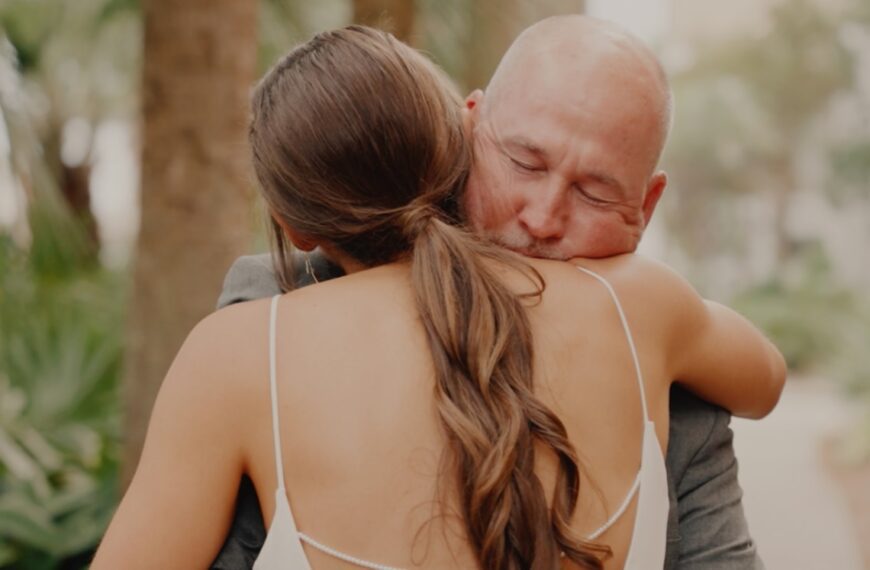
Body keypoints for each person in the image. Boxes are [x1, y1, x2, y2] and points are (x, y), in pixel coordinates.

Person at [93, 24, 785, 570]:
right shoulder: (652, 319)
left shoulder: (659, 346)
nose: (543, 218)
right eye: (524, 162)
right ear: (466, 128)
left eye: (594, 191)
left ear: (647, 204)